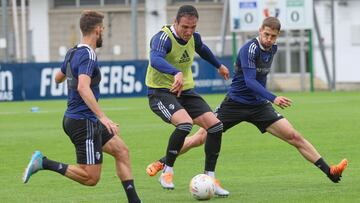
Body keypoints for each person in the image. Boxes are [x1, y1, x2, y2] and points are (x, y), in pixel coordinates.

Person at [146, 16, 348, 186]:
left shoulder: (272, 49)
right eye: (266, 34)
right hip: (234, 104)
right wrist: (274, 97)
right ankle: (162, 163)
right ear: (260, 30)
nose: (269, 39)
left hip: (259, 106)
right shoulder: (249, 49)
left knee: (294, 136)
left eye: (273, 36)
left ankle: (330, 171)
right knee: (199, 138)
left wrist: (266, 100)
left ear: (277, 37)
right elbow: (250, 82)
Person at [22, 10, 141, 203]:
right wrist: (103, 117)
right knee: (91, 178)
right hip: (83, 122)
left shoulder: (73, 51)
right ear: (97, 30)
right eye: (102, 29)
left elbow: (57, 78)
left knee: (122, 151)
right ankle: (43, 163)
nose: (102, 33)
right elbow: (83, 87)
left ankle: (135, 201)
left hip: (81, 119)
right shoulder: (88, 55)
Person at [145, 5, 230, 195]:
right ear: (175, 22)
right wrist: (175, 72)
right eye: (185, 27)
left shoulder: (194, 37)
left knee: (216, 127)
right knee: (185, 124)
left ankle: (210, 178)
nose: (189, 32)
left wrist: (219, 65)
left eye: (193, 28)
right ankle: (167, 171)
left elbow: (203, 49)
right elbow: (154, 59)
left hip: (186, 91)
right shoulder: (163, 38)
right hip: (160, 92)